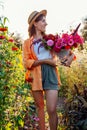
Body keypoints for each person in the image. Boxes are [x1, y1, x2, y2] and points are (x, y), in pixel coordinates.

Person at [22, 9, 73, 130]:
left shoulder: (51, 39)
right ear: (35, 23)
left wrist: (69, 58)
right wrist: (45, 61)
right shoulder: (27, 43)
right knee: (40, 107)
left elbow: (68, 53)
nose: (46, 23)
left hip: (50, 73)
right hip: (35, 76)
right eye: (43, 21)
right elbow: (26, 62)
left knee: (51, 109)